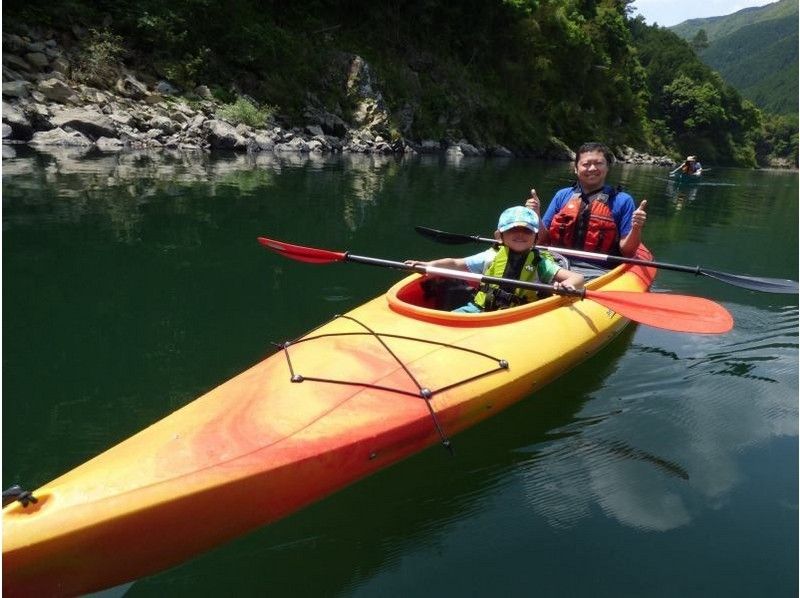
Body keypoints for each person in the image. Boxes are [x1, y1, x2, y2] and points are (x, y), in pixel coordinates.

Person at [406, 206, 584, 313]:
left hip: (518, 316)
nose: (520, 235)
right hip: (478, 309)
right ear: (500, 236)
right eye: (513, 230)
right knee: (449, 321)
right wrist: (429, 266)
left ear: (536, 237)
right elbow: (455, 263)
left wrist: (567, 286)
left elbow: (578, 278)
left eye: (527, 231)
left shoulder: (541, 263)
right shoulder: (490, 256)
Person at [525, 142, 647, 258]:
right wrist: (536, 214)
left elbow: (628, 252)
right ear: (576, 169)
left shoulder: (623, 201)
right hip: (557, 262)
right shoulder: (562, 195)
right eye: (586, 164)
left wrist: (636, 228)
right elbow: (543, 240)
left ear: (607, 167)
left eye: (598, 163)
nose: (592, 168)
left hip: (601, 270)